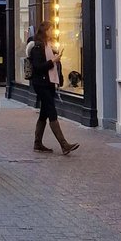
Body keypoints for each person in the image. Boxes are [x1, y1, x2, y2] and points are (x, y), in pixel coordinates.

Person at [28, 23, 79, 155]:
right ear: (45, 31)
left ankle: (37, 143)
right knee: (52, 112)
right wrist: (53, 61)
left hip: (48, 83)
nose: (53, 32)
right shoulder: (38, 47)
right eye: (51, 29)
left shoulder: (48, 46)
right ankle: (64, 144)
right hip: (41, 84)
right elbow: (38, 67)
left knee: (44, 113)